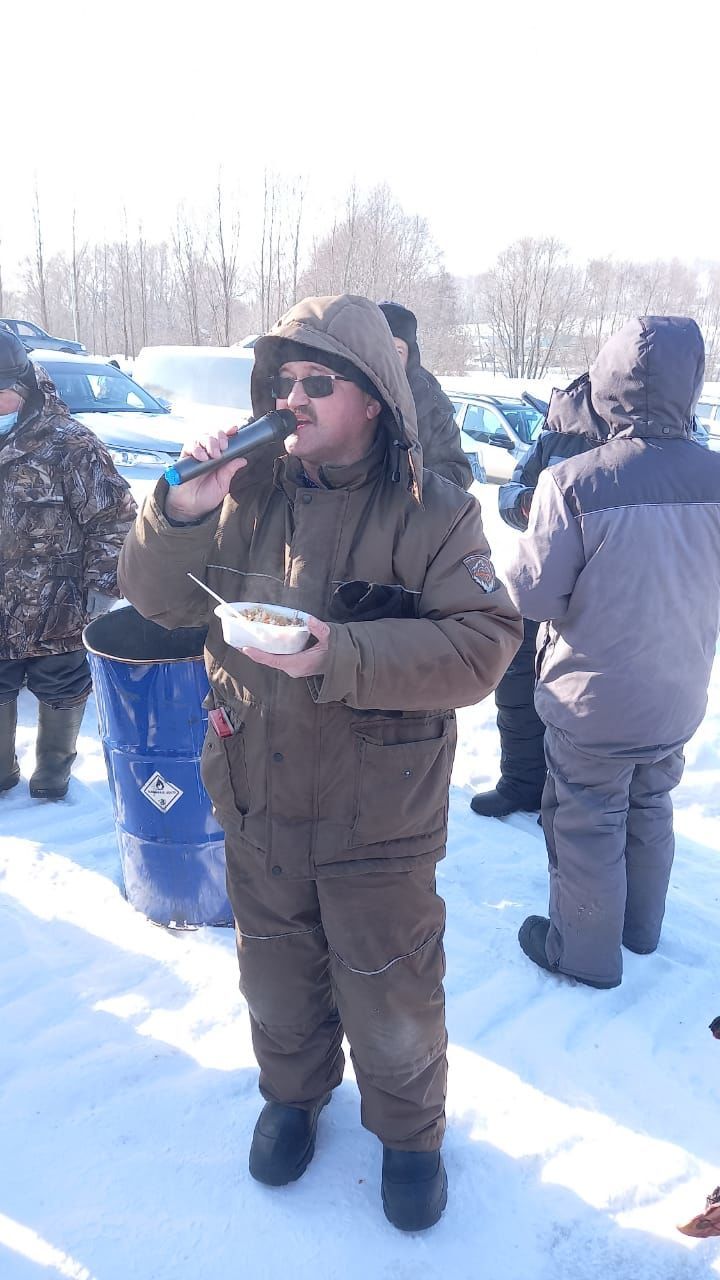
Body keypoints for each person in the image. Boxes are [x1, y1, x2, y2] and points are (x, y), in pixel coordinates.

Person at [118, 293, 522, 1231]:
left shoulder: (437, 512)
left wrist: (339, 654)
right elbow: (158, 604)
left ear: (374, 398)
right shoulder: (245, 492)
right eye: (283, 381)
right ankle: (293, 1098)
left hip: (378, 817)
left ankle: (411, 1132)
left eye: (317, 382)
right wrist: (181, 509)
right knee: (277, 972)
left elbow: (485, 645)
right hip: (257, 797)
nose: (292, 398)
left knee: (392, 985)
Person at [505, 315, 720, 989]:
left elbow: (533, 597)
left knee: (585, 819)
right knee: (652, 803)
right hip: (677, 692)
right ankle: (640, 930)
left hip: (592, 701)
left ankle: (585, 955)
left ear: (608, 384)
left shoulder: (573, 482)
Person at [0, 328, 136, 800]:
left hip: (56, 604)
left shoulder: (71, 445)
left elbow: (112, 519)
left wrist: (102, 587)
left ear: (21, 388)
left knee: (61, 689)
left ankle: (52, 776)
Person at [471, 374, 608, 817]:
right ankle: (521, 783)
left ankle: (576, 796)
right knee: (517, 680)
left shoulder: (641, 438)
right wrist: (526, 501)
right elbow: (510, 489)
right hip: (541, 577)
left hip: (604, 591)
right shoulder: (555, 434)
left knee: (585, 694)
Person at [378, 301, 473, 489]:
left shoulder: (432, 407)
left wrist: (409, 479)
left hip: (406, 515)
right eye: (382, 349)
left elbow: (457, 473)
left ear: (410, 357)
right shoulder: (341, 394)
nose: (390, 361)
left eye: (398, 351)